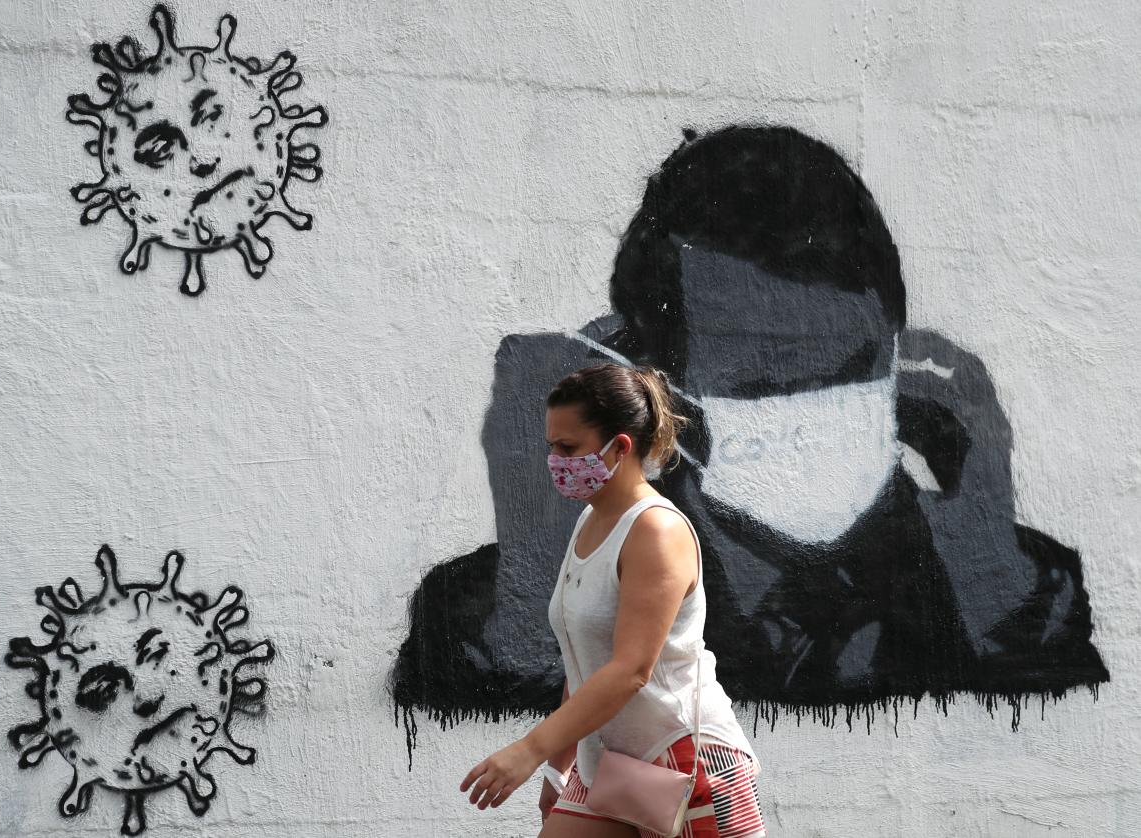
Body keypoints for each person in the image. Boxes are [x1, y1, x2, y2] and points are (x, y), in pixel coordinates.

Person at [392, 126, 1106, 732]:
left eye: (853, 366)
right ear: (655, 386)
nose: (818, 401)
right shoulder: (499, 604)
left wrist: (992, 563)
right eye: (763, 383)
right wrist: (544, 568)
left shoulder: (1005, 585)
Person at [460, 364, 766, 838]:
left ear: (619, 447)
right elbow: (586, 661)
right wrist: (557, 768)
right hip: (608, 762)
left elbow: (629, 670)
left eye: (568, 448)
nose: (555, 461)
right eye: (552, 447)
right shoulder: (590, 522)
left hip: (687, 764)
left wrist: (530, 749)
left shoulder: (655, 531)